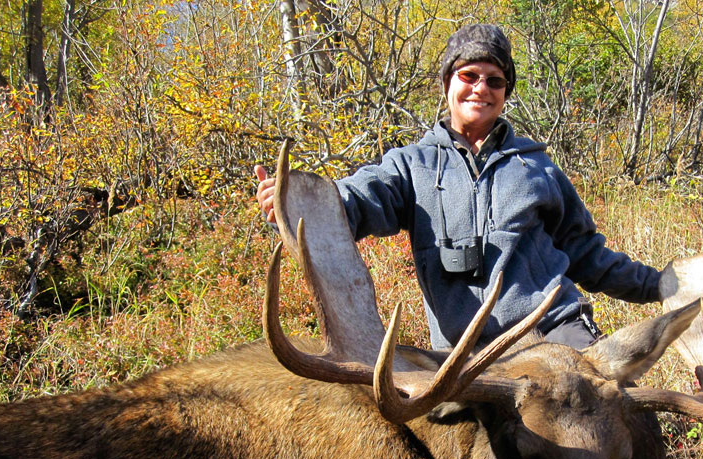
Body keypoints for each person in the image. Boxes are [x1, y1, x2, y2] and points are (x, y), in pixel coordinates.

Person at [256, 23, 661, 350]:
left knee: (614, 409)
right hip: (462, 354)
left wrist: (659, 285)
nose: (481, 88)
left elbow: (586, 254)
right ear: (447, 82)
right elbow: (358, 200)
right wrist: (298, 203)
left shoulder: (537, 166)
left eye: (495, 80)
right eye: (469, 75)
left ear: (505, 93)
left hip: (553, 331)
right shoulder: (410, 165)